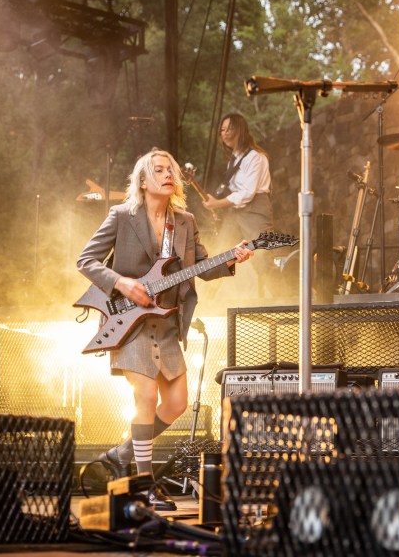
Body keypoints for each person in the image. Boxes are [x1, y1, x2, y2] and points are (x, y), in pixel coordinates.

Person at [77, 148, 253, 511]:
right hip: (129, 323)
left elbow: (202, 267)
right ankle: (144, 484)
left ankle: (122, 453)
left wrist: (231, 258)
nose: (167, 174)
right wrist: (123, 284)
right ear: (143, 180)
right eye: (158, 169)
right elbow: (86, 261)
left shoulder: (184, 221)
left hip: (167, 324)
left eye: (170, 169)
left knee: (176, 404)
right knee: (145, 398)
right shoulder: (122, 216)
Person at [202, 113, 274, 299]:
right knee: (221, 252)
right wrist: (219, 205)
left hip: (255, 208)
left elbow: (247, 193)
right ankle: (209, 298)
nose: (224, 133)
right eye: (222, 130)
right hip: (236, 212)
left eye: (229, 129)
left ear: (240, 130)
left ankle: (279, 296)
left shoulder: (256, 157)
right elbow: (234, 192)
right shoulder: (234, 159)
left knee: (262, 255)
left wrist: (218, 203)